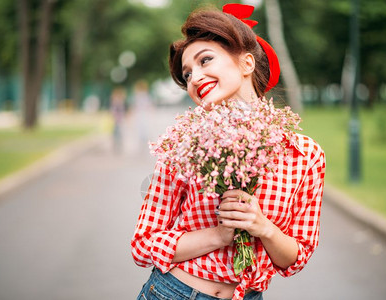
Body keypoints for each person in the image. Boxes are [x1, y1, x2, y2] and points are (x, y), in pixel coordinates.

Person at [131, 4, 325, 300]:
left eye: (205, 61)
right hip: (175, 292)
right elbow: (143, 245)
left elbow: (296, 257)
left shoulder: (305, 156)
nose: (194, 78)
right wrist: (219, 235)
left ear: (246, 64)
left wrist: (263, 227)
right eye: (187, 74)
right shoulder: (183, 146)